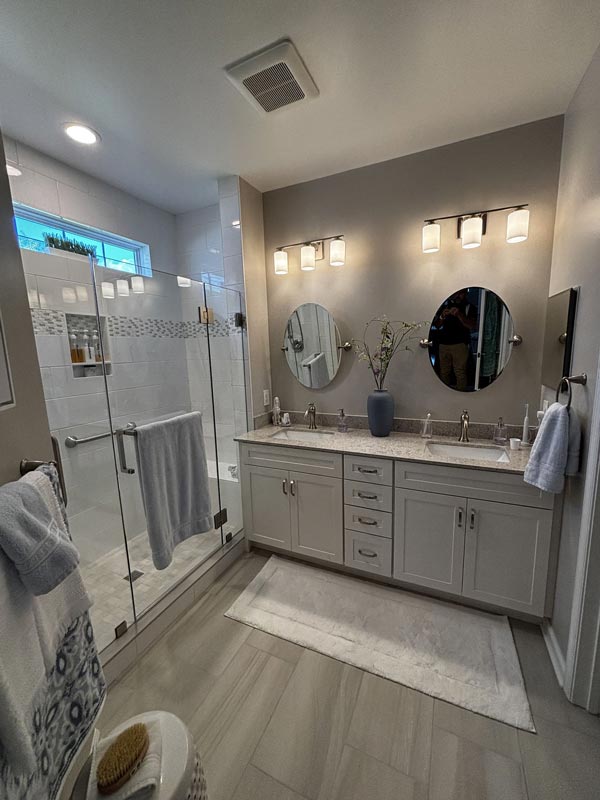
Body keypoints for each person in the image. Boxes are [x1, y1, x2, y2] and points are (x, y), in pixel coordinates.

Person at [434, 289, 478, 391]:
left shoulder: (469, 307)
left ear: (466, 293)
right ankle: (444, 394)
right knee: (443, 372)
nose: (458, 295)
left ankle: (460, 395)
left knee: (460, 372)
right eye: (457, 293)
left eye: (461, 293)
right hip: (443, 344)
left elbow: (471, 326)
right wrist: (442, 316)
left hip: (460, 344)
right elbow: (437, 325)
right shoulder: (444, 305)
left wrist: (459, 315)